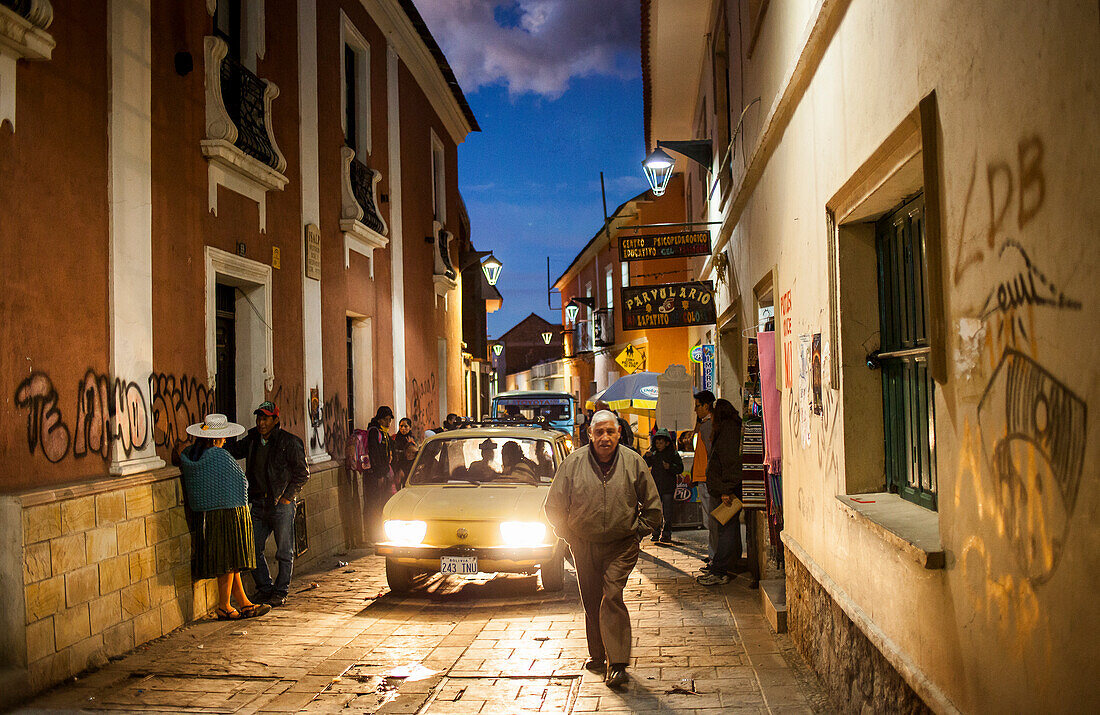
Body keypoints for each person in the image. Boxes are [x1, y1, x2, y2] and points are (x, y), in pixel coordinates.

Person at [544, 410, 662, 689]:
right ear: (590, 434)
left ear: (619, 433)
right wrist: (568, 535)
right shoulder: (572, 464)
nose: (605, 438)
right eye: (599, 432)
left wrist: (636, 532)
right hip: (583, 543)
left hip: (621, 545)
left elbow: (654, 507)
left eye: (610, 432)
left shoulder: (634, 462)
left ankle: (618, 664)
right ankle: (597, 655)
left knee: (611, 595)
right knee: (591, 597)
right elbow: (553, 507)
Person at [180, 414, 272, 620]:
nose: (225, 441)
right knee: (229, 561)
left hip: (210, 514)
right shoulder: (219, 456)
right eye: (222, 437)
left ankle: (244, 603)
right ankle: (223, 606)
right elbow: (241, 482)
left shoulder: (194, 456)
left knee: (232, 562)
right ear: (215, 438)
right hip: (227, 513)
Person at [228, 401, 309, 607]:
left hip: (281, 504)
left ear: (275, 419)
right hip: (258, 502)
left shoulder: (289, 442)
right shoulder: (253, 439)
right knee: (252, 548)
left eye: (265, 418)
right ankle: (265, 588)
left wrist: (287, 497)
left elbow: (302, 474)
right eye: (259, 418)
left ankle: (280, 592)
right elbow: (234, 450)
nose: (261, 423)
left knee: (284, 551)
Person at [698, 398, 745, 586]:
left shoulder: (728, 431)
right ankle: (726, 565)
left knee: (725, 530)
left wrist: (726, 489)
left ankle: (720, 571)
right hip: (724, 488)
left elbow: (729, 461)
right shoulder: (728, 429)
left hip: (726, 490)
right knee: (727, 529)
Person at [644, 429, 684, 545]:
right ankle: (655, 533)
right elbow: (645, 463)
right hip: (656, 486)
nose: (658, 445)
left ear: (667, 443)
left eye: (661, 443)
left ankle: (666, 534)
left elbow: (679, 468)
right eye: (657, 443)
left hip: (668, 487)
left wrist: (670, 466)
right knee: (656, 510)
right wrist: (647, 456)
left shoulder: (673, 454)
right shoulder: (654, 453)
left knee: (667, 512)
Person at [692, 390, 717, 565]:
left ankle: (715, 557)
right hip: (703, 477)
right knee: (710, 521)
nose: (696, 410)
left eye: (698, 406)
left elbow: (711, 453)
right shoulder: (705, 425)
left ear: (706, 406)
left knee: (711, 521)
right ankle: (713, 555)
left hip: (707, 478)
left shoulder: (709, 425)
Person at [365, 406, 395, 542]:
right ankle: (373, 535)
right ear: (380, 419)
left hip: (383, 473)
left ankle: (380, 533)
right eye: (386, 420)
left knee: (382, 503)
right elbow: (375, 455)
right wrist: (379, 475)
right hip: (375, 476)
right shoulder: (374, 432)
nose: (388, 423)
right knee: (374, 505)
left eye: (390, 420)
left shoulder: (384, 433)